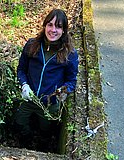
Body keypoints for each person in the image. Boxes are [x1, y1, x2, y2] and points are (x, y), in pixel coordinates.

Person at [15, 9, 79, 150]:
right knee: (19, 122)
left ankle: (42, 147)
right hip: (29, 99)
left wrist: (62, 91)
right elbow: (21, 70)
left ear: (64, 30)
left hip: (50, 103)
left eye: (58, 26)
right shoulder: (32, 45)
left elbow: (72, 81)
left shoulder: (70, 54)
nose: (53, 30)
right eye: (50, 25)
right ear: (45, 26)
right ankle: (26, 142)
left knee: (46, 130)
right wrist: (24, 85)